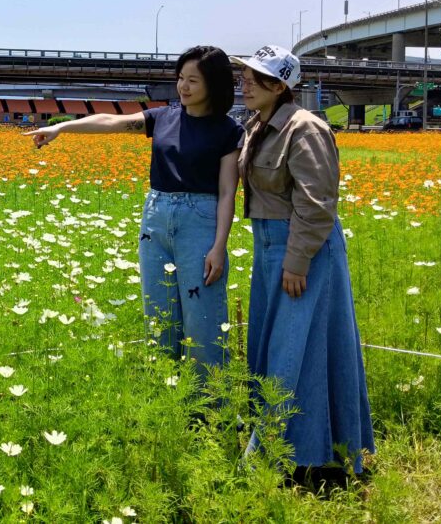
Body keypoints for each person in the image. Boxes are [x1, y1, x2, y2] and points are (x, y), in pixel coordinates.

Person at [26, 46, 242, 374]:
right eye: (180, 78)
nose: (183, 87)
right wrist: (61, 129)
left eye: (193, 80)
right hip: (155, 218)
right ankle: (164, 389)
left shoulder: (228, 131)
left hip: (200, 221)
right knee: (158, 311)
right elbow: (111, 121)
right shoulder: (163, 117)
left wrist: (219, 246)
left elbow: (227, 193)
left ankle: (210, 400)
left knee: (203, 317)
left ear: (213, 84)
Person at [232, 44, 375, 480]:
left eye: (256, 79)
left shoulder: (305, 128)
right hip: (270, 246)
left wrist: (297, 262)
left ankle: (290, 456)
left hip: (303, 249)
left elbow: (317, 202)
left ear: (280, 86)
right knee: (281, 345)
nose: (245, 85)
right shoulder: (258, 125)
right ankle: (295, 449)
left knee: (295, 348)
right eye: (245, 77)